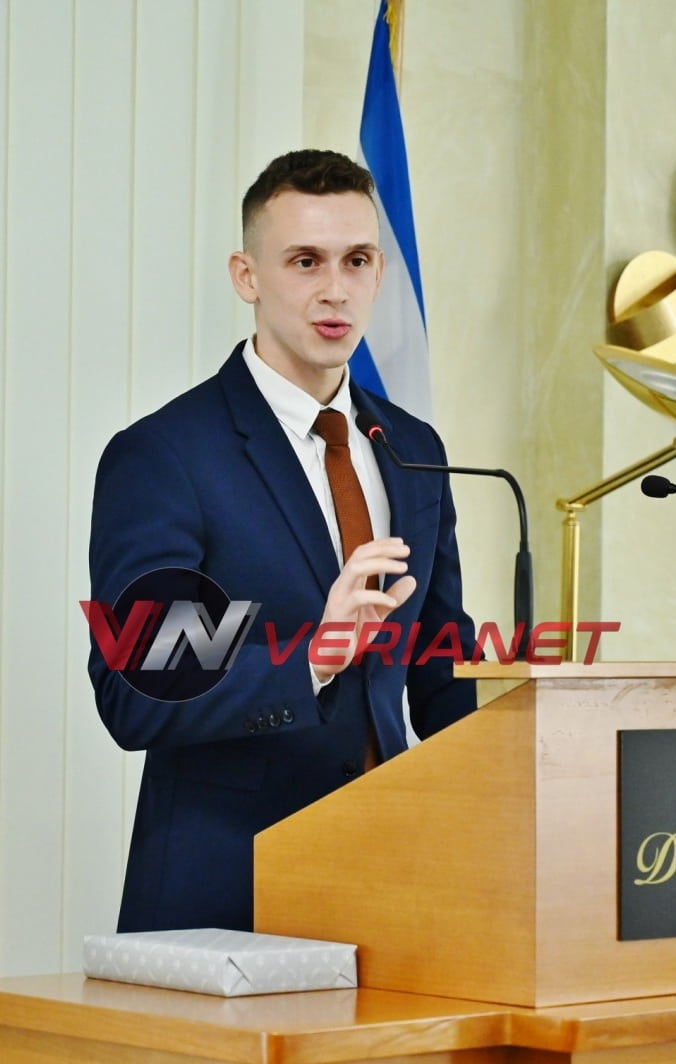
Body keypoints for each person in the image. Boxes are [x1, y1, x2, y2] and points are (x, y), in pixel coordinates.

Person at [87, 149, 477, 933]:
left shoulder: (413, 448)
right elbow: (136, 697)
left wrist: (553, 730)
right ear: (247, 276)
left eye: (357, 260)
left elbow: (439, 669)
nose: (336, 289)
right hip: (226, 891)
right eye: (305, 261)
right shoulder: (166, 455)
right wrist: (314, 658)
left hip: (397, 880)